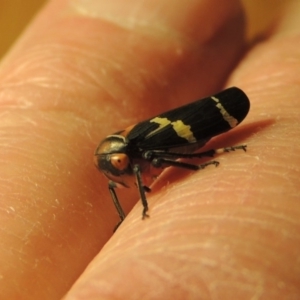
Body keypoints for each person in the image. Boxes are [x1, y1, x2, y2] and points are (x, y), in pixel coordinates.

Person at [0, 0, 299, 299]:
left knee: (158, 155)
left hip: (199, 125)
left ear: (123, 155)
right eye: (117, 166)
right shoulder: (124, 161)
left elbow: (161, 158)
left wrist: (197, 166)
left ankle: (198, 164)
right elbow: (125, 179)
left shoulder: (140, 147)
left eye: (119, 163)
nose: (121, 173)